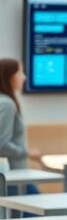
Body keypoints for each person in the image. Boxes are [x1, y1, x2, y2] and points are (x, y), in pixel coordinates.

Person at [0, 59, 43, 195]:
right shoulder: (7, 104)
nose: (24, 77)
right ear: (10, 76)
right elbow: (2, 144)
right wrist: (26, 152)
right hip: (12, 176)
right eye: (20, 73)